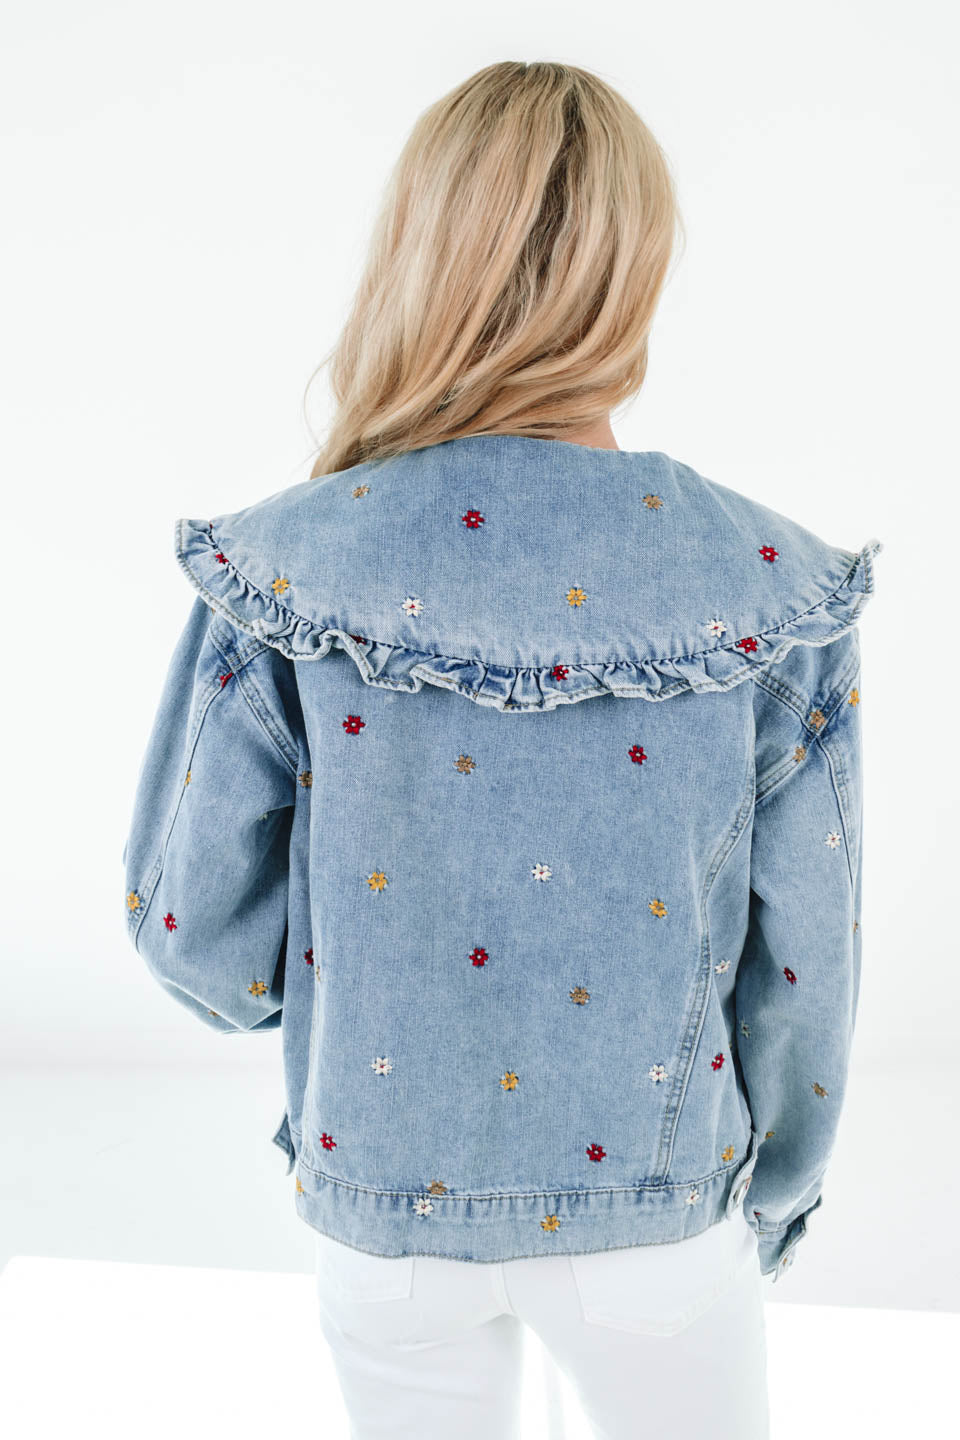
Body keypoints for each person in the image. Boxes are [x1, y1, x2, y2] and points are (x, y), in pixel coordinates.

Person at [122, 60, 879, 1439]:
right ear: (636, 273)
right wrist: (776, 1191)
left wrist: (367, 999)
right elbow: (806, 965)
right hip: (660, 1222)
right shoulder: (770, 584)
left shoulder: (283, 568)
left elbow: (195, 940)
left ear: (419, 254)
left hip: (383, 1214)